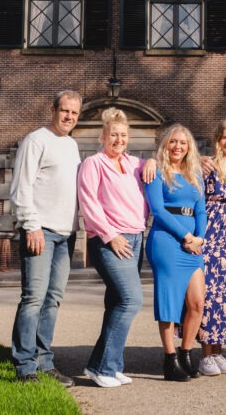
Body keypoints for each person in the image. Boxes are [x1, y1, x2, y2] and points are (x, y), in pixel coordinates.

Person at [9, 90, 82, 386]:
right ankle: (25, 367)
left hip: (67, 234)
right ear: (53, 109)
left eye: (75, 113)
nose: (69, 117)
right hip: (41, 232)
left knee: (53, 300)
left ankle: (44, 361)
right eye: (65, 111)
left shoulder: (72, 145)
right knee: (33, 299)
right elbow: (21, 188)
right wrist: (31, 225)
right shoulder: (35, 140)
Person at [77, 108, 147, 388]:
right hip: (110, 241)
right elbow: (88, 202)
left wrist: (153, 161)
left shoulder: (134, 164)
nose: (118, 139)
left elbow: (169, 165)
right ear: (103, 136)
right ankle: (103, 368)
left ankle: (110, 364)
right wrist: (109, 235)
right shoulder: (93, 163)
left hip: (136, 238)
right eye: (113, 134)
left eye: (123, 135)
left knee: (117, 302)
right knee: (131, 300)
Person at [146, 124, 208, 382]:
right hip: (166, 241)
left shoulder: (195, 174)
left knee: (196, 302)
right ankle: (170, 360)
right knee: (169, 302)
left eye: (183, 143)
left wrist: (200, 238)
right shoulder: (156, 172)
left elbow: (201, 210)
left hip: (193, 244)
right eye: (173, 142)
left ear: (188, 147)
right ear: (165, 145)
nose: (178, 147)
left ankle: (186, 353)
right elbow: (158, 211)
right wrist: (185, 236)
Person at [197, 119, 226, 376]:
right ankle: (206, 354)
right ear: (218, 139)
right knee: (209, 293)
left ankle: (218, 352)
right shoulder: (207, 166)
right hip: (212, 233)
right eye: (225, 138)